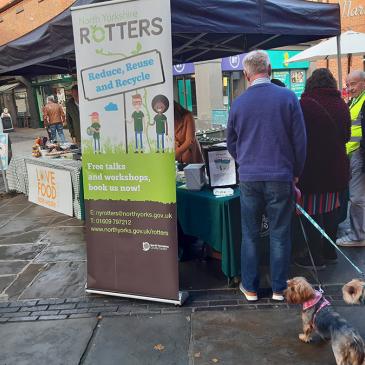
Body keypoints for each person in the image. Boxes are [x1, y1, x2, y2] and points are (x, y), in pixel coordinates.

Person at [227, 50, 307, 302]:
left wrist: (245, 160)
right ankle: (279, 289)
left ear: (246, 74)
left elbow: (231, 143)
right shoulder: (287, 98)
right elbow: (300, 141)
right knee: (279, 233)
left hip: (249, 176)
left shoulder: (238, 103)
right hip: (280, 175)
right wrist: (296, 173)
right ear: (270, 71)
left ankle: (250, 288)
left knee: (250, 233)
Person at [294, 69, 351, 269]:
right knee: (332, 209)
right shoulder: (342, 105)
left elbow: (298, 138)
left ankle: (315, 257)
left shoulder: (304, 105)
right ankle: (330, 252)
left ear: (311, 84)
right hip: (337, 166)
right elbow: (346, 135)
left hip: (313, 167)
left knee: (312, 210)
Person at [336, 71, 365, 247]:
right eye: (347, 84)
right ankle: (359, 228)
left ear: (363, 82)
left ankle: (358, 236)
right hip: (353, 153)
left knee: (356, 197)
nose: (349, 88)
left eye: (352, 84)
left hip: (359, 154)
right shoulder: (355, 100)